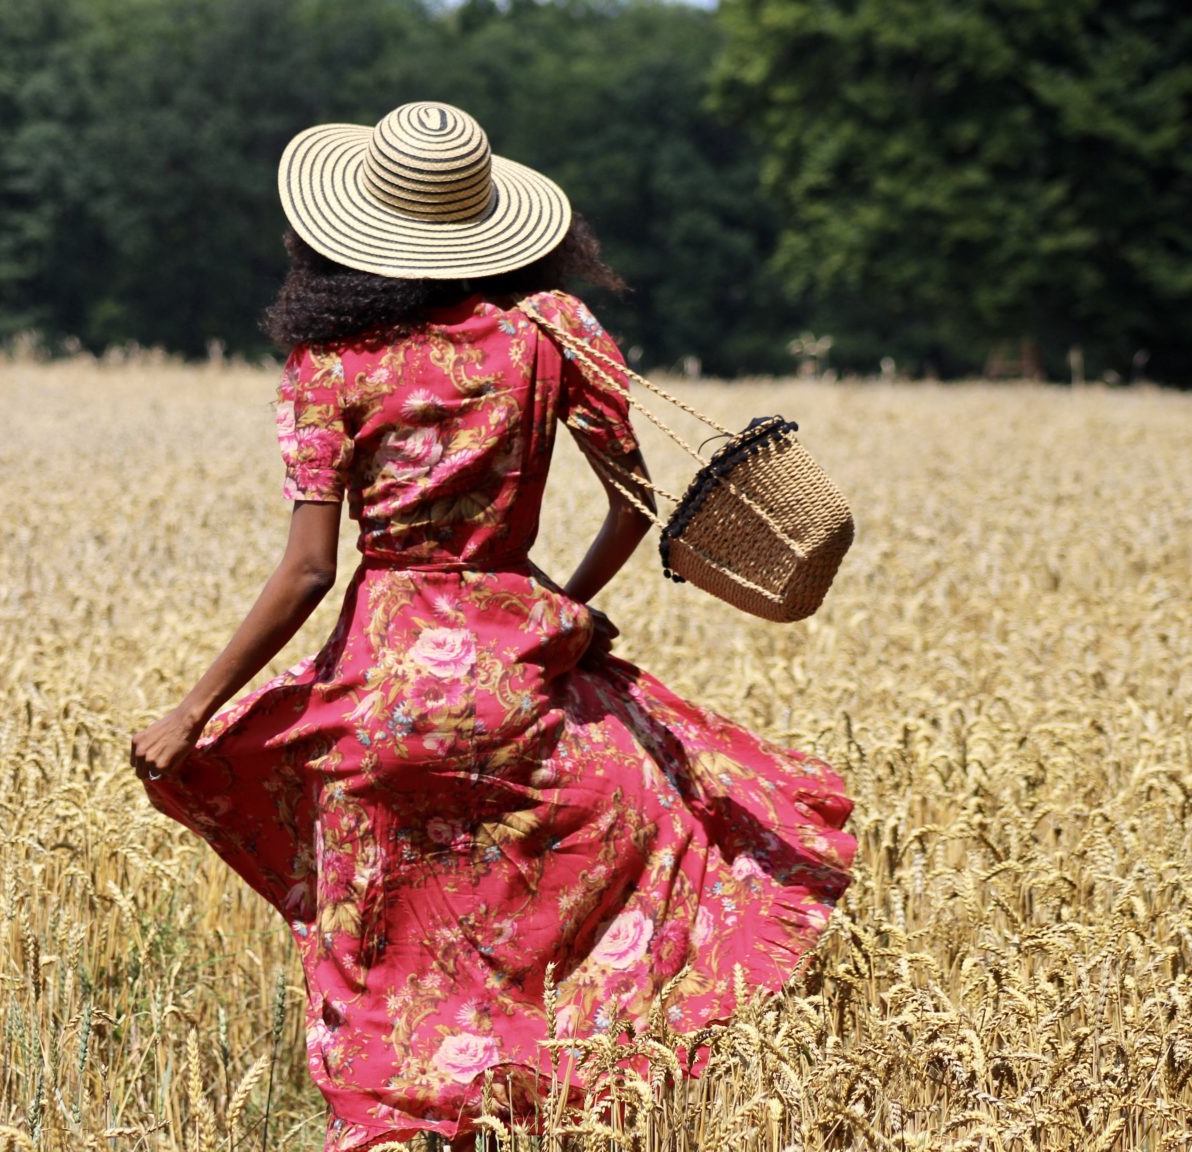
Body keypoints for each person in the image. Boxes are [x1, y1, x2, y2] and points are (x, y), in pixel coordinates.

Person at [131, 102, 856, 1152]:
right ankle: (549, 1098)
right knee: (589, 887)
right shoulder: (555, 330)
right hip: (520, 671)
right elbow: (633, 505)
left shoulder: (331, 367)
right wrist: (559, 600)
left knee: (384, 949)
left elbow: (306, 573)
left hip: (381, 697)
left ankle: (394, 1121)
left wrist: (192, 710)